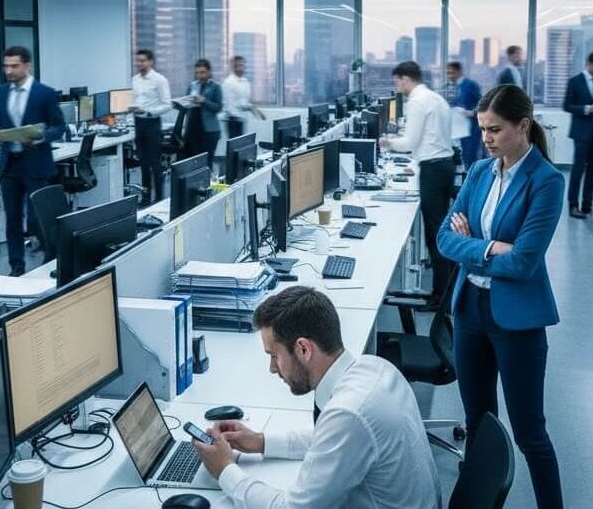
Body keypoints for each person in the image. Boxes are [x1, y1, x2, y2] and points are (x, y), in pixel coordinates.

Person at [192, 286, 441, 509]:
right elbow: (331, 441)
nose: (272, 368)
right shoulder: (374, 367)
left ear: (303, 349)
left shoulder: (349, 413)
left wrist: (224, 470)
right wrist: (260, 441)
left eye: (274, 356)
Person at [437, 84, 565, 509]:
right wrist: (491, 249)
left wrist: (472, 246)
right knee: (477, 421)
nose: (486, 138)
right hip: (470, 310)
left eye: (494, 130)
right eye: (483, 129)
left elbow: (525, 263)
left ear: (522, 125)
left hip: (517, 321)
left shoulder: (546, 181)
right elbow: (443, 240)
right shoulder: (478, 172)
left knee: (531, 434)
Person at [380, 61, 455, 307]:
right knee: (439, 229)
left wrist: (388, 141)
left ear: (404, 79)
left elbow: (411, 142)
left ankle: (441, 295)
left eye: (397, 81)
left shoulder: (416, 102)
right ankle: (445, 288)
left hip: (432, 170)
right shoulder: (436, 98)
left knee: (435, 233)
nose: (397, 86)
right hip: (445, 165)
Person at [0, 46, 65, 277]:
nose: (8, 71)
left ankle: (53, 262)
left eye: (14, 65)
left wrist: (42, 136)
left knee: (37, 217)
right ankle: (16, 268)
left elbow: (59, 126)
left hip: (36, 163)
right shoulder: (1, 92)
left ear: (27, 65)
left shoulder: (45, 93)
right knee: (12, 220)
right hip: (10, 164)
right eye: (6, 66)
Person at [563, 51, 593, 219]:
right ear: (588, 64)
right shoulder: (575, 81)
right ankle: (573, 206)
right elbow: (567, 105)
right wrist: (587, 108)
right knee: (578, 169)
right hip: (581, 131)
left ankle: (587, 205)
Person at [130, 49, 172, 203]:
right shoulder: (134, 79)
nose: (139, 63)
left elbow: (167, 104)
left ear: (150, 62)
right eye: (138, 60)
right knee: (143, 162)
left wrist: (148, 111)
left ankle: (160, 198)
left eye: (142, 61)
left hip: (152, 122)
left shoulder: (159, 80)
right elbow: (135, 100)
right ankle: (146, 197)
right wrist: (131, 108)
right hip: (138, 122)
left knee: (154, 162)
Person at [181, 58, 223, 167]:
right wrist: (180, 104)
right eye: (197, 73)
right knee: (190, 162)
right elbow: (186, 104)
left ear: (209, 72)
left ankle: (207, 184)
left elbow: (218, 107)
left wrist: (204, 101)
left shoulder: (215, 86)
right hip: (192, 129)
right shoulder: (192, 85)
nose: (200, 75)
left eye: (203, 72)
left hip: (209, 131)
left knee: (206, 164)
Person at [443, 61, 484, 169]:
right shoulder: (457, 86)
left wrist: (470, 112)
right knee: (465, 155)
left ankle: (472, 181)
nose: (449, 76)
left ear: (459, 72)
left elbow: (483, 105)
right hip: (462, 127)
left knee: (471, 156)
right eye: (448, 73)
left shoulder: (470, 85)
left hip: (472, 127)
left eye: (451, 73)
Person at [222, 55, 266, 142]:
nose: (240, 68)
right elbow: (231, 106)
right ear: (233, 67)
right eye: (237, 66)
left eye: (242, 65)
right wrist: (250, 108)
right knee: (234, 147)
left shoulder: (245, 81)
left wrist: (255, 109)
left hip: (242, 119)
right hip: (233, 121)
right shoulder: (228, 83)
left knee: (240, 147)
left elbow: (244, 102)